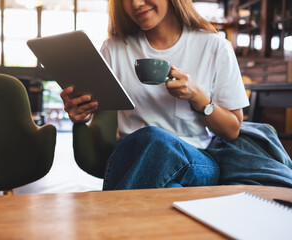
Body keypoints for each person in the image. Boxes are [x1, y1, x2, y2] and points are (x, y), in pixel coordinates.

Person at [60, 0, 249, 190]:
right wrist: (80, 112)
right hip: (130, 155)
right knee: (170, 190)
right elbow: (94, 106)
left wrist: (198, 97)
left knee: (155, 138)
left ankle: (114, 210)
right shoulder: (114, 48)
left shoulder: (215, 47)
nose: (136, 4)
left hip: (196, 159)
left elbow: (232, 130)